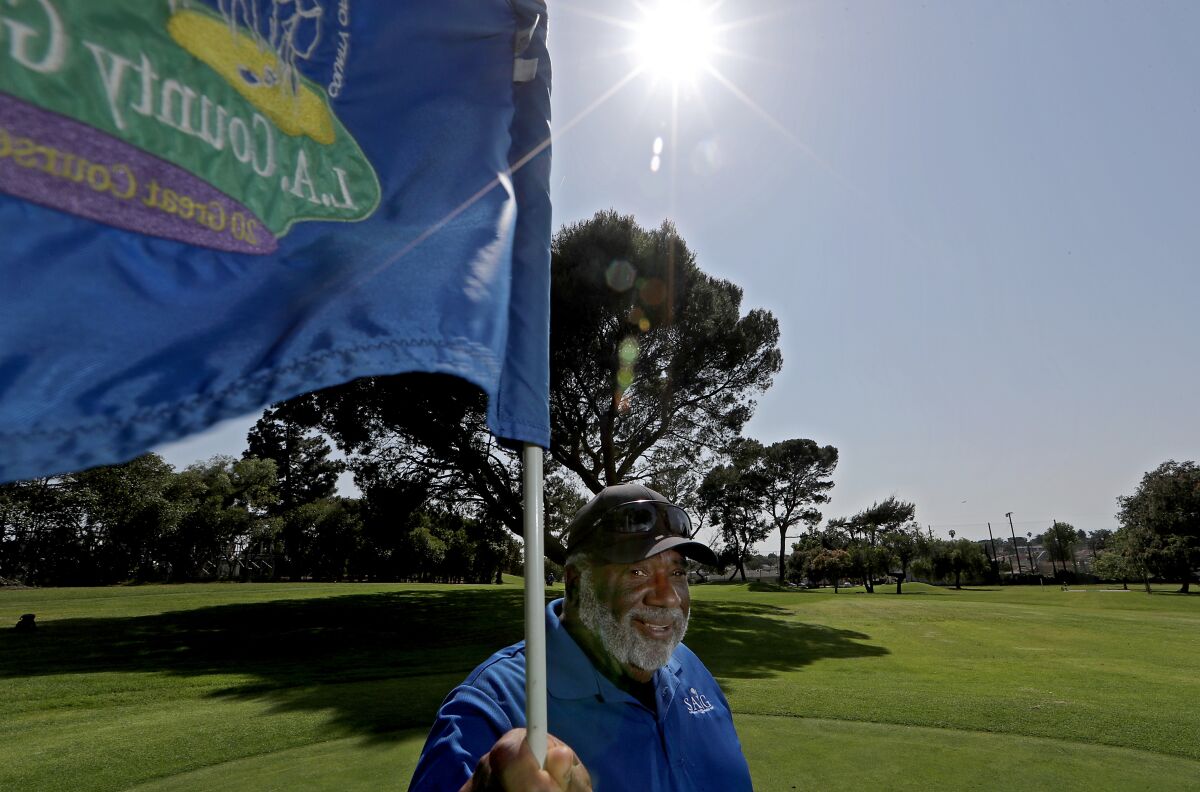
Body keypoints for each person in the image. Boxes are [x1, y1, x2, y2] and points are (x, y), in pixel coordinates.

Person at [409, 483, 752, 792]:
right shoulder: (492, 704)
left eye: (677, 572)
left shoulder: (690, 666)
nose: (668, 597)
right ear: (576, 583)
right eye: (637, 572)